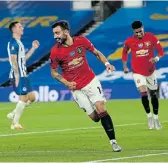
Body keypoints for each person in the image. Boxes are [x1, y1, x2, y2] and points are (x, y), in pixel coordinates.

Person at [49, 20, 121, 152]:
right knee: (95, 118)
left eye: (57, 33)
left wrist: (107, 64)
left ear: (66, 32)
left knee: (100, 107)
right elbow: (53, 72)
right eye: (54, 34)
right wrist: (66, 83)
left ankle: (113, 142)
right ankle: (102, 118)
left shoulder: (81, 41)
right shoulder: (55, 52)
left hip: (90, 81)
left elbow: (96, 52)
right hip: (76, 88)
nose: (55, 36)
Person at [122, 20, 164, 130]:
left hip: (151, 71)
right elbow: (124, 52)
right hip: (137, 72)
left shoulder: (151, 37)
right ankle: (149, 117)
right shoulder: (129, 41)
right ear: (133, 31)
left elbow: (161, 52)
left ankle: (156, 118)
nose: (139, 34)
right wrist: (125, 66)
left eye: (140, 31)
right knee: (143, 93)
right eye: (136, 32)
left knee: (154, 95)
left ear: (143, 28)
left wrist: (156, 58)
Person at [7, 21, 40, 130]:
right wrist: (17, 76)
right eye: (20, 26)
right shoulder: (13, 43)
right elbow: (13, 60)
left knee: (33, 97)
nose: (22, 28)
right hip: (18, 75)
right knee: (24, 97)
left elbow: (23, 60)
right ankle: (14, 123)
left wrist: (33, 48)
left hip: (23, 74)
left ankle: (14, 112)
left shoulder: (19, 42)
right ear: (14, 30)